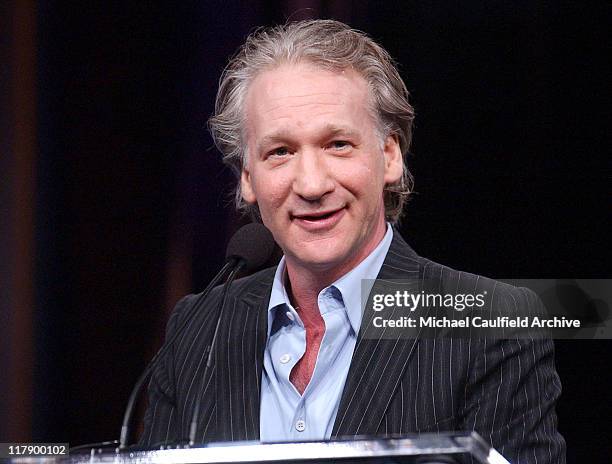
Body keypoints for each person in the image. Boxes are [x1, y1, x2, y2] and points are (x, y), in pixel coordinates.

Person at [141, 19, 565, 463]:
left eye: (338, 144)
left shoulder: (490, 325)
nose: (311, 183)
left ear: (389, 157)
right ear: (248, 178)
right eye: (280, 152)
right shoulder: (198, 326)